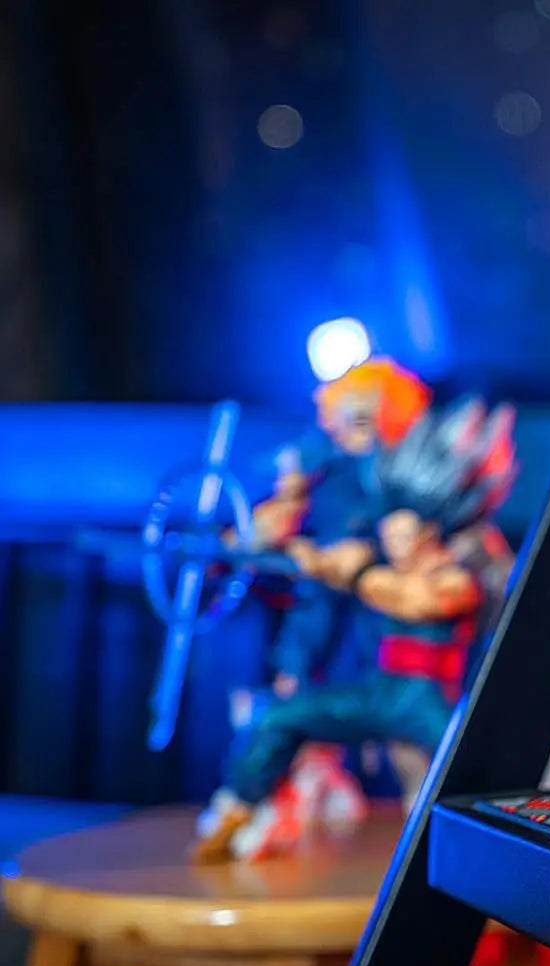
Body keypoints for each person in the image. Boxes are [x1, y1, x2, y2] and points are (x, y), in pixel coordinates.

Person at [195, 398, 519, 862]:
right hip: (381, 692)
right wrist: (297, 554)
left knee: (468, 775)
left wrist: (355, 574)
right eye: (389, 533)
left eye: (403, 535)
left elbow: (413, 599)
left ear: (429, 534)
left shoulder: (455, 577)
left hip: (428, 702)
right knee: (280, 717)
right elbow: (328, 562)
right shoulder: (378, 556)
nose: (392, 542)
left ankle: (492, 847)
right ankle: (238, 806)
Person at [251, 357, 433, 697]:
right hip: (322, 587)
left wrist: (370, 552)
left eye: (365, 418)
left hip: (381, 602)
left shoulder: (399, 474)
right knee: (310, 624)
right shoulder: (323, 464)